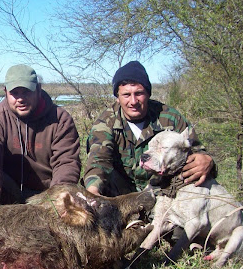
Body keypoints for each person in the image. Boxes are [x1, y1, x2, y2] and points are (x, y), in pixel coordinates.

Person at [83, 60, 215, 196]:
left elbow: (197, 153)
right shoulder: (106, 122)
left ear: (148, 94)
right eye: (126, 95)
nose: (133, 101)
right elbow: (98, 160)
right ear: (117, 97)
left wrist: (207, 161)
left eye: (139, 93)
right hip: (121, 196)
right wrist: (93, 193)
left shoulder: (170, 118)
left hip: (163, 193)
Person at [0, 64, 81, 206]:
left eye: (26, 92)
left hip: (48, 192)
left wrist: (60, 197)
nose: (20, 99)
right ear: (5, 92)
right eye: (15, 93)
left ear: (38, 89)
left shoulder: (60, 119)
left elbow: (66, 162)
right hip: (8, 191)